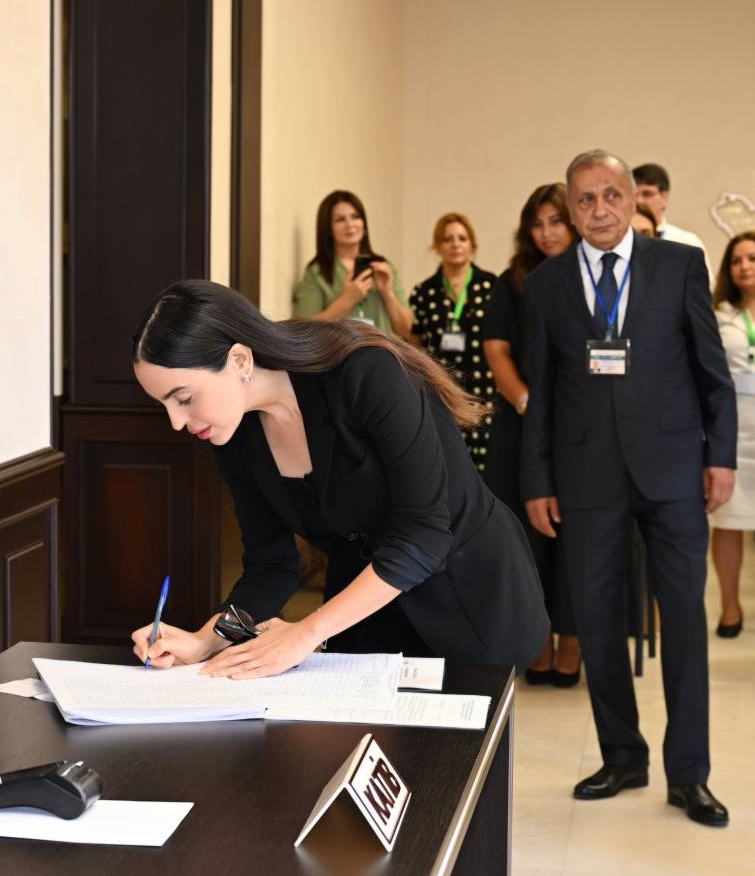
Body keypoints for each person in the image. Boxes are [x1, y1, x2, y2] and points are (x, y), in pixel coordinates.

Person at [128, 280, 546, 678]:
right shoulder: (233, 433)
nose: (177, 422)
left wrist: (306, 631)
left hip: (469, 598)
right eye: (164, 405)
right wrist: (209, 639)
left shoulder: (365, 373)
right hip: (363, 612)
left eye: (183, 398)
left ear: (239, 360)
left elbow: (424, 534)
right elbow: (271, 565)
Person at [522, 150, 736, 827]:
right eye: (585, 199)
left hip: (674, 466)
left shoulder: (677, 265)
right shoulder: (547, 285)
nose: (601, 209)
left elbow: (711, 368)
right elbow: (543, 392)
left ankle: (689, 773)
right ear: (569, 207)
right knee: (597, 617)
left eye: (612, 194)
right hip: (586, 476)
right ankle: (622, 754)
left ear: (634, 201)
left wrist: (721, 454)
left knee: (684, 620)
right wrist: (537, 478)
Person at [482, 184, 581, 686]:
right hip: (520, 425)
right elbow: (496, 349)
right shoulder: (512, 280)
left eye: (556, 221)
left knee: (575, 536)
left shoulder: (590, 277)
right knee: (524, 538)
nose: (547, 232)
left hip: (582, 430)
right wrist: (526, 401)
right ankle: (536, 644)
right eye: (538, 223)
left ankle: (572, 645)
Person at [707, 232, 755, 639]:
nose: (744, 266)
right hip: (731, 428)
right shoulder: (718, 314)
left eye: (753, 258)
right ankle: (730, 608)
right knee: (727, 522)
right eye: (736, 260)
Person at [409, 213, 497, 472]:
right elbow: (415, 343)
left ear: (472, 245)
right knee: (446, 468)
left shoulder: (491, 286)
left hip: (483, 393)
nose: (455, 244)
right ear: (437, 247)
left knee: (486, 473)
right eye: (447, 239)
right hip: (440, 393)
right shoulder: (424, 292)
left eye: (462, 238)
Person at [291, 190, 413, 338]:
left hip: (382, 356)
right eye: (340, 220)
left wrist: (388, 295)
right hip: (339, 359)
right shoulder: (317, 272)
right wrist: (347, 299)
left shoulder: (384, 267)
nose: (350, 224)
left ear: (364, 223)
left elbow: (407, 331)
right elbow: (302, 331)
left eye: (355, 217)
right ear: (328, 228)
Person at [632, 162, 712, 277]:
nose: (638, 201)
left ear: (664, 198)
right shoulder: (618, 240)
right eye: (634, 194)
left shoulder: (687, 242)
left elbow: (704, 288)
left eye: (647, 194)